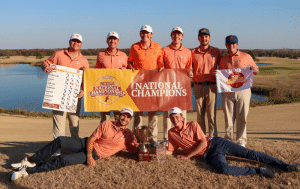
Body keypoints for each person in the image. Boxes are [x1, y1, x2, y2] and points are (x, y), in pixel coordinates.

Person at [164, 107, 299, 178]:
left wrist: (188, 156)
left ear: (182, 117)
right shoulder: (171, 133)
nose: (174, 119)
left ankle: (287, 167)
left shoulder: (193, 124)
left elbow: (202, 144)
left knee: (250, 154)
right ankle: (260, 172)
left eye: (176, 117)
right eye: (172, 118)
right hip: (209, 156)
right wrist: (160, 152)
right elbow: (171, 150)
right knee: (223, 169)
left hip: (216, 143)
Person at [10, 107, 138, 181]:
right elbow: (92, 139)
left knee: (63, 159)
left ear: (130, 119)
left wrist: (147, 150)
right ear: (119, 115)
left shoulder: (129, 135)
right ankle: (31, 160)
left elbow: (135, 150)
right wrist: (88, 155)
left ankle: (28, 171)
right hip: (86, 142)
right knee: (60, 140)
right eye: (123, 115)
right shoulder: (106, 124)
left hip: (96, 153)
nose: (124, 118)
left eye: (128, 117)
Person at [42, 33, 90, 156]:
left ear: (81, 44)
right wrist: (45, 68)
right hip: (57, 94)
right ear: (69, 42)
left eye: (78, 41)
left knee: (74, 123)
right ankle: (57, 148)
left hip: (74, 96)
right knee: (59, 123)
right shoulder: (59, 54)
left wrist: (83, 90)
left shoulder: (84, 60)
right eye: (74, 41)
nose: (76, 43)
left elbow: (87, 80)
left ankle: (75, 147)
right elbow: (46, 63)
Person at [219, 35, 259, 147]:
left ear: (237, 44)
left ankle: (241, 141)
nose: (231, 46)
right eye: (229, 44)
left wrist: (255, 69)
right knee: (228, 117)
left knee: (242, 116)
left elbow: (256, 70)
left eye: (233, 44)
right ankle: (229, 140)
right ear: (226, 45)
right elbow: (222, 76)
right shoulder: (223, 59)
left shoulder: (246, 56)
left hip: (243, 91)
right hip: (228, 92)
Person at [128, 25, 164, 146]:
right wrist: (130, 67)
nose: (145, 35)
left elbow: (160, 62)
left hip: (152, 84)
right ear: (140, 34)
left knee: (153, 114)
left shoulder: (158, 46)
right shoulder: (134, 47)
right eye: (143, 33)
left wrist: (162, 68)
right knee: (138, 113)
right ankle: (137, 139)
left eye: (147, 33)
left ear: (151, 34)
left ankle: (152, 139)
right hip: (139, 84)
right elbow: (129, 62)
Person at [162, 27, 193, 142]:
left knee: (182, 114)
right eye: (174, 35)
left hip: (182, 88)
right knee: (167, 114)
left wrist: (190, 73)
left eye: (179, 35)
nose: (176, 37)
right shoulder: (164, 50)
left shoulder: (187, 52)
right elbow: (160, 67)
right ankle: (167, 138)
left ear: (182, 36)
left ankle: (182, 138)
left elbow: (189, 68)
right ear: (171, 36)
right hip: (168, 87)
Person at [191, 28, 222, 137]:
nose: (204, 38)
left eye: (206, 36)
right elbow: (188, 67)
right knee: (200, 115)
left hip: (211, 87)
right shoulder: (193, 52)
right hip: (198, 86)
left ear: (209, 38)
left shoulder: (216, 51)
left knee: (212, 116)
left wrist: (220, 71)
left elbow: (223, 67)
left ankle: (213, 139)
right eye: (202, 36)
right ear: (198, 38)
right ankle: (202, 139)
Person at [94, 31, 128, 123]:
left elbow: (128, 73)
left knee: (119, 117)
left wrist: (126, 71)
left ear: (118, 41)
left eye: (114, 39)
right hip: (104, 91)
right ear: (107, 41)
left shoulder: (123, 55)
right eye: (110, 39)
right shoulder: (101, 55)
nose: (112, 41)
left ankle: (119, 136)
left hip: (118, 91)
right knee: (105, 118)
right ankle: (105, 136)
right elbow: (95, 72)